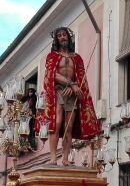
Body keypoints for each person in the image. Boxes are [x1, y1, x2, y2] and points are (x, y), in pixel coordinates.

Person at [35, 27, 99, 166]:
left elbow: (81, 78)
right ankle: (53, 158)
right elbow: (52, 75)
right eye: (59, 35)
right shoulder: (52, 56)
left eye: (64, 35)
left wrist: (74, 87)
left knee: (68, 126)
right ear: (56, 39)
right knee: (56, 123)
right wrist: (70, 84)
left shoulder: (76, 58)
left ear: (69, 38)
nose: (62, 37)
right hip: (57, 91)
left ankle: (65, 158)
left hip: (72, 93)